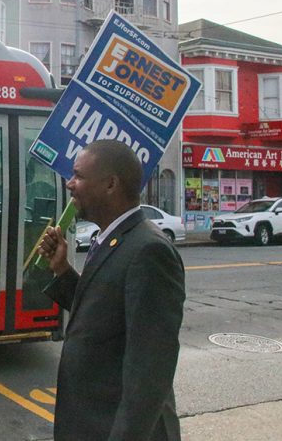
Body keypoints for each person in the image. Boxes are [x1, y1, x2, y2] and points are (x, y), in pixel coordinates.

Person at [36, 140, 185, 441]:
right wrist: (62, 270)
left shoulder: (149, 251)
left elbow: (149, 375)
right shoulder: (110, 238)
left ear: (111, 184)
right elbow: (102, 312)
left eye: (78, 176)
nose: (70, 184)